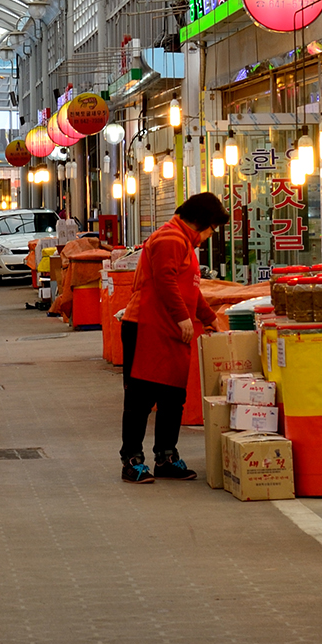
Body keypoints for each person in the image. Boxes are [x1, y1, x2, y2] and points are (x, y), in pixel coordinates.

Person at [120, 191, 227, 483]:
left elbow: (190, 289)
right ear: (201, 221)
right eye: (212, 228)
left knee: (172, 397)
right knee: (140, 399)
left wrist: (208, 318)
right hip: (146, 326)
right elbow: (165, 280)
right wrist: (183, 317)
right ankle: (132, 460)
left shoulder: (183, 242)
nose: (209, 235)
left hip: (170, 329)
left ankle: (166, 457)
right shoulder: (170, 239)